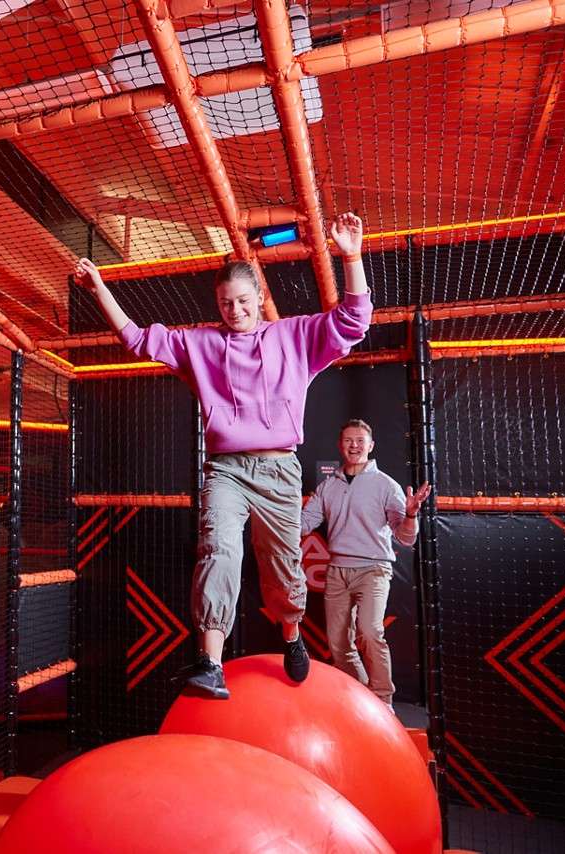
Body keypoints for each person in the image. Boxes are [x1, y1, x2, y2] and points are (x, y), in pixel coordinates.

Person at [74, 213, 371, 699]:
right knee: (220, 549)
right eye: (225, 303)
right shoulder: (201, 344)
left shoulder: (292, 338)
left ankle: (292, 635)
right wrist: (100, 287)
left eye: (243, 302)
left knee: (282, 569)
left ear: (259, 300)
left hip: (278, 470)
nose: (235, 310)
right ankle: (210, 662)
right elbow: (134, 338)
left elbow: (353, 321)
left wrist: (352, 257)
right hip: (227, 470)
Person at [300, 419, 431, 710]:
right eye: (348, 440)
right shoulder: (328, 486)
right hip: (337, 571)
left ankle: (383, 704)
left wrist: (410, 516)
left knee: (370, 632)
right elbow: (305, 523)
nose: (354, 445)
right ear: (340, 445)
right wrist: (271, 513)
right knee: (338, 645)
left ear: (371, 446)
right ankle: (359, 704)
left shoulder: (386, 485)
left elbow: (405, 538)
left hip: (373, 570)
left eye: (360, 440)